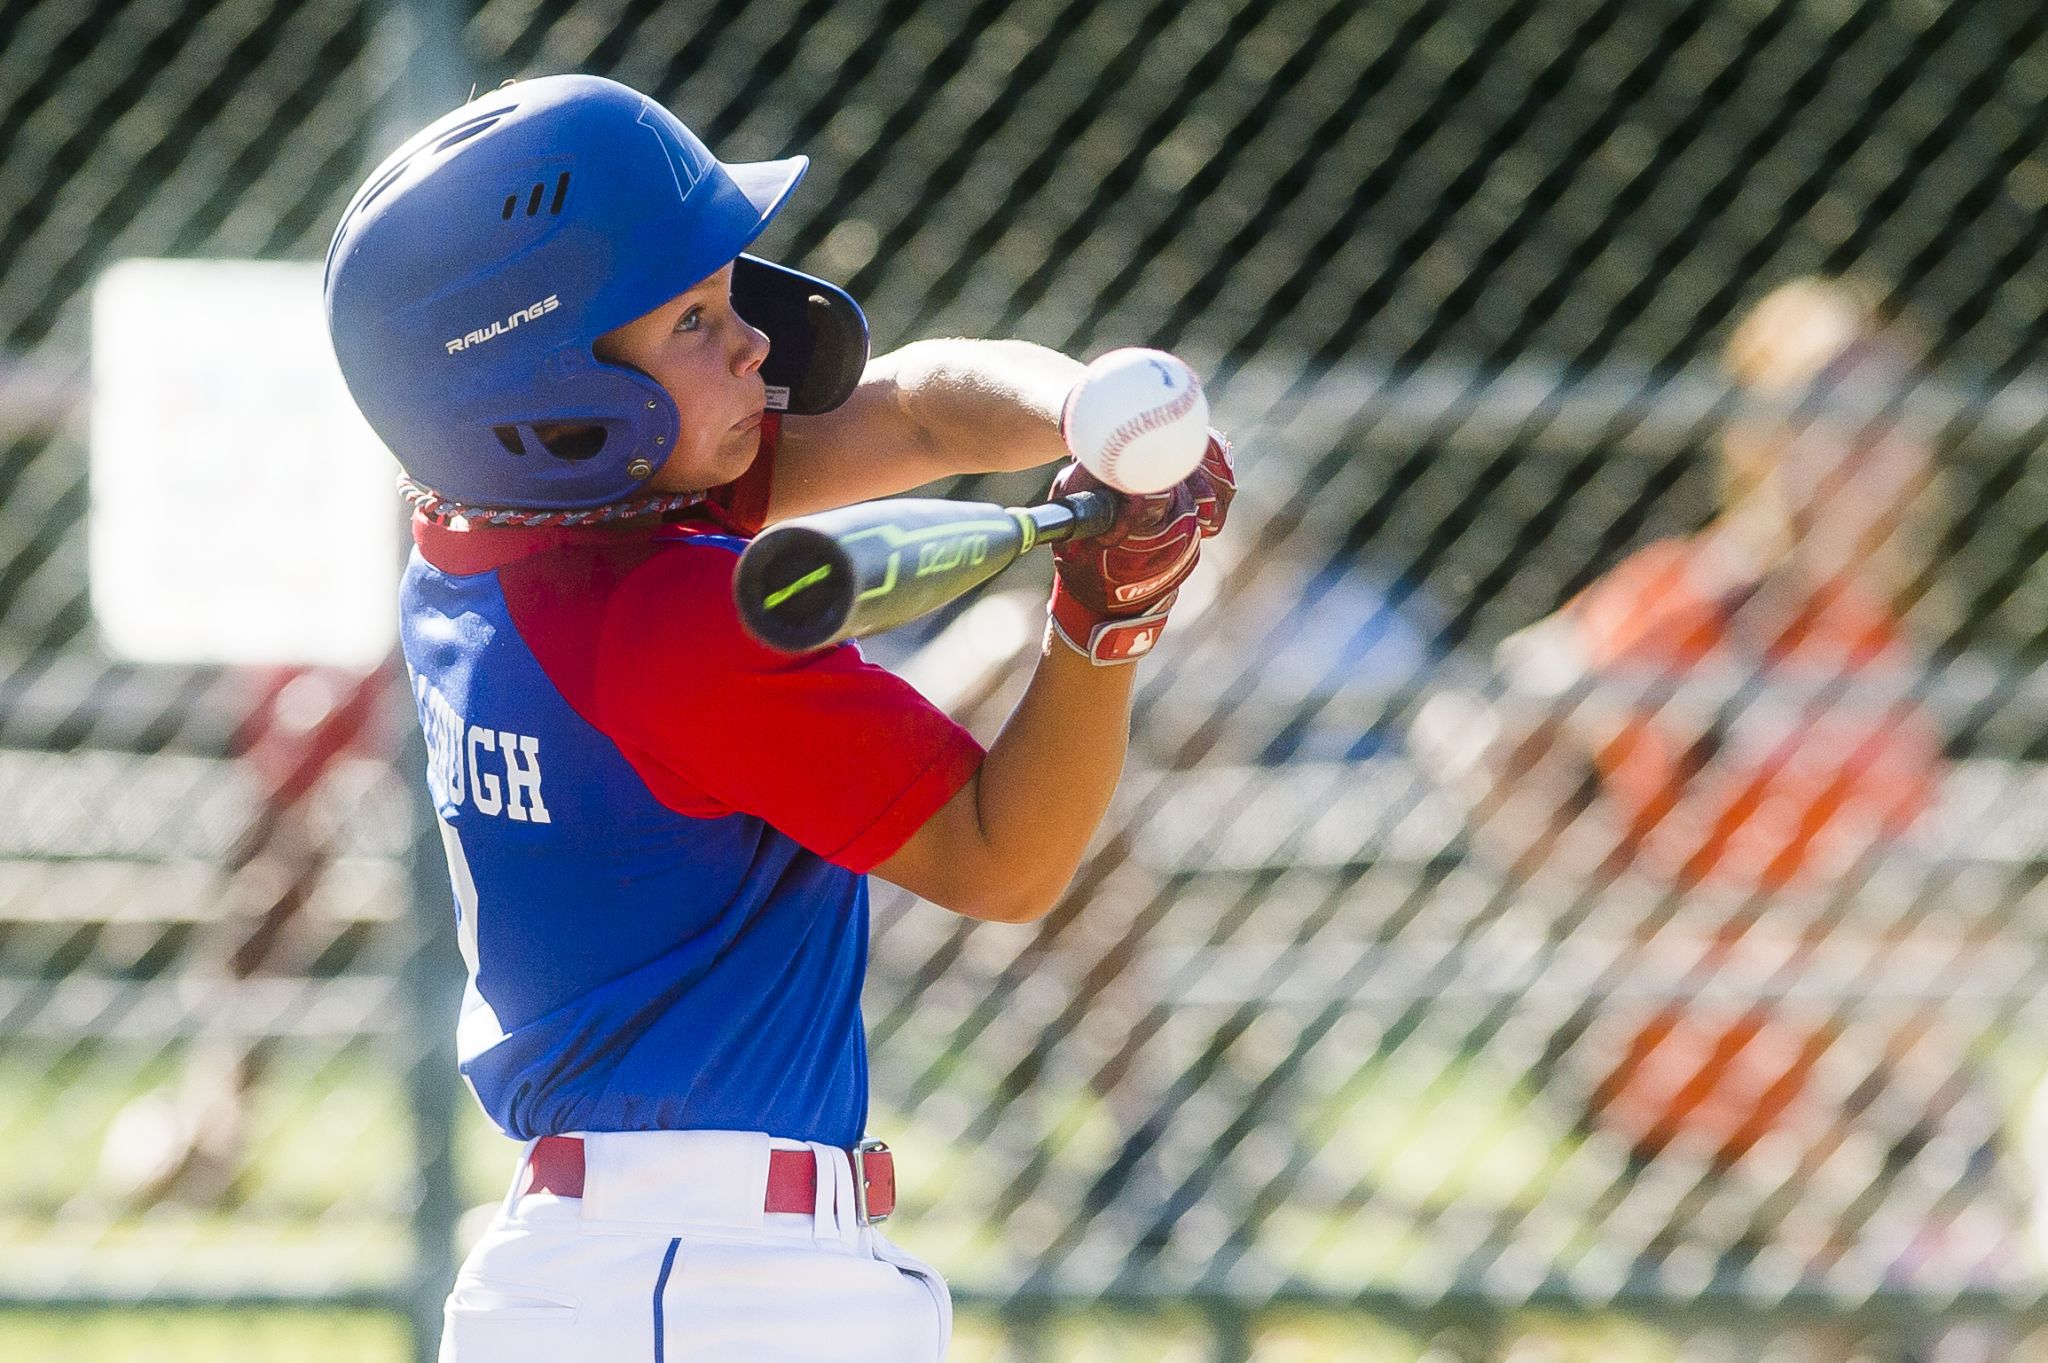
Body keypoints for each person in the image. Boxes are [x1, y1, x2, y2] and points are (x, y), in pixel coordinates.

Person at [323, 74, 1231, 1362]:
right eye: (693, 319)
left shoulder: (487, 551)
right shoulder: (670, 621)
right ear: (539, 396)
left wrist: (1086, 411)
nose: (752, 342)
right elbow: (1005, 856)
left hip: (652, 1266)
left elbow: (914, 407)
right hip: (710, 1288)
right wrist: (1104, 623)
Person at [1415, 279, 1995, 1246]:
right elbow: (1467, 726)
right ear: (1764, 436)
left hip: (1845, 1069)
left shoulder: (1876, 636)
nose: (1869, 447)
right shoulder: (1699, 604)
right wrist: (1616, 900)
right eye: (1831, 414)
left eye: (1888, 418)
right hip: (1699, 1078)